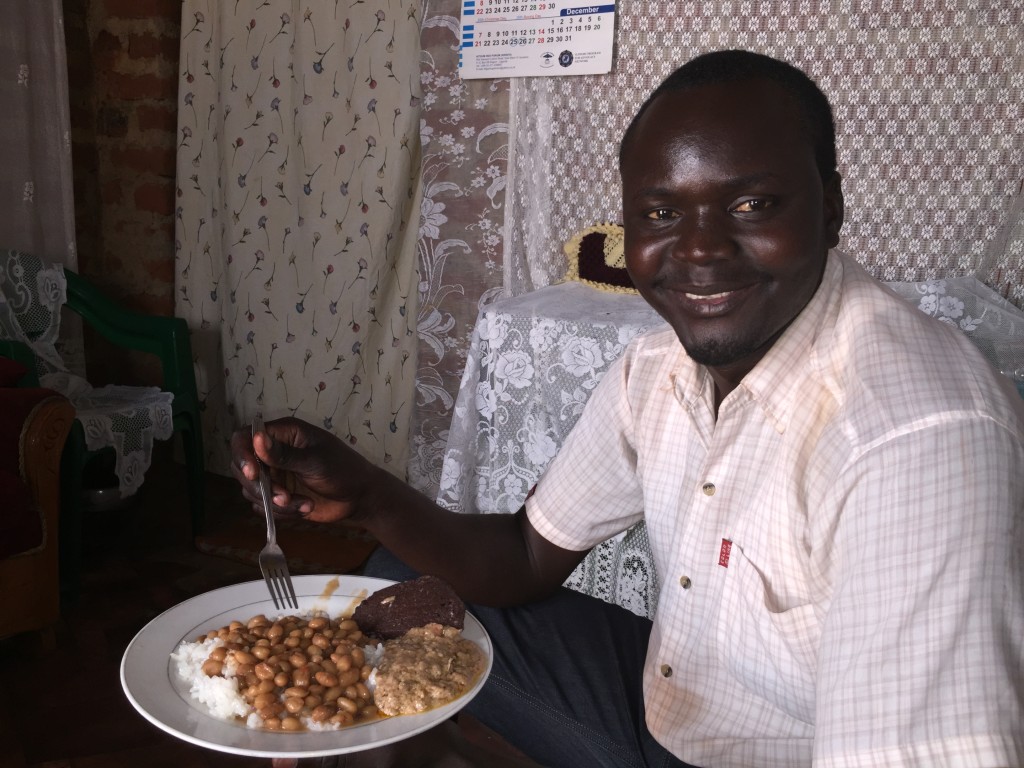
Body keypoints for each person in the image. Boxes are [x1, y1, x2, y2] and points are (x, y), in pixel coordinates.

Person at [232, 50, 1024, 768]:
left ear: (830, 207)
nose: (700, 249)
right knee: (401, 574)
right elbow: (525, 555)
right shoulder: (660, 368)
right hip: (674, 706)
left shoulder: (911, 439)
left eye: (751, 205)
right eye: (660, 213)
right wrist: (368, 495)